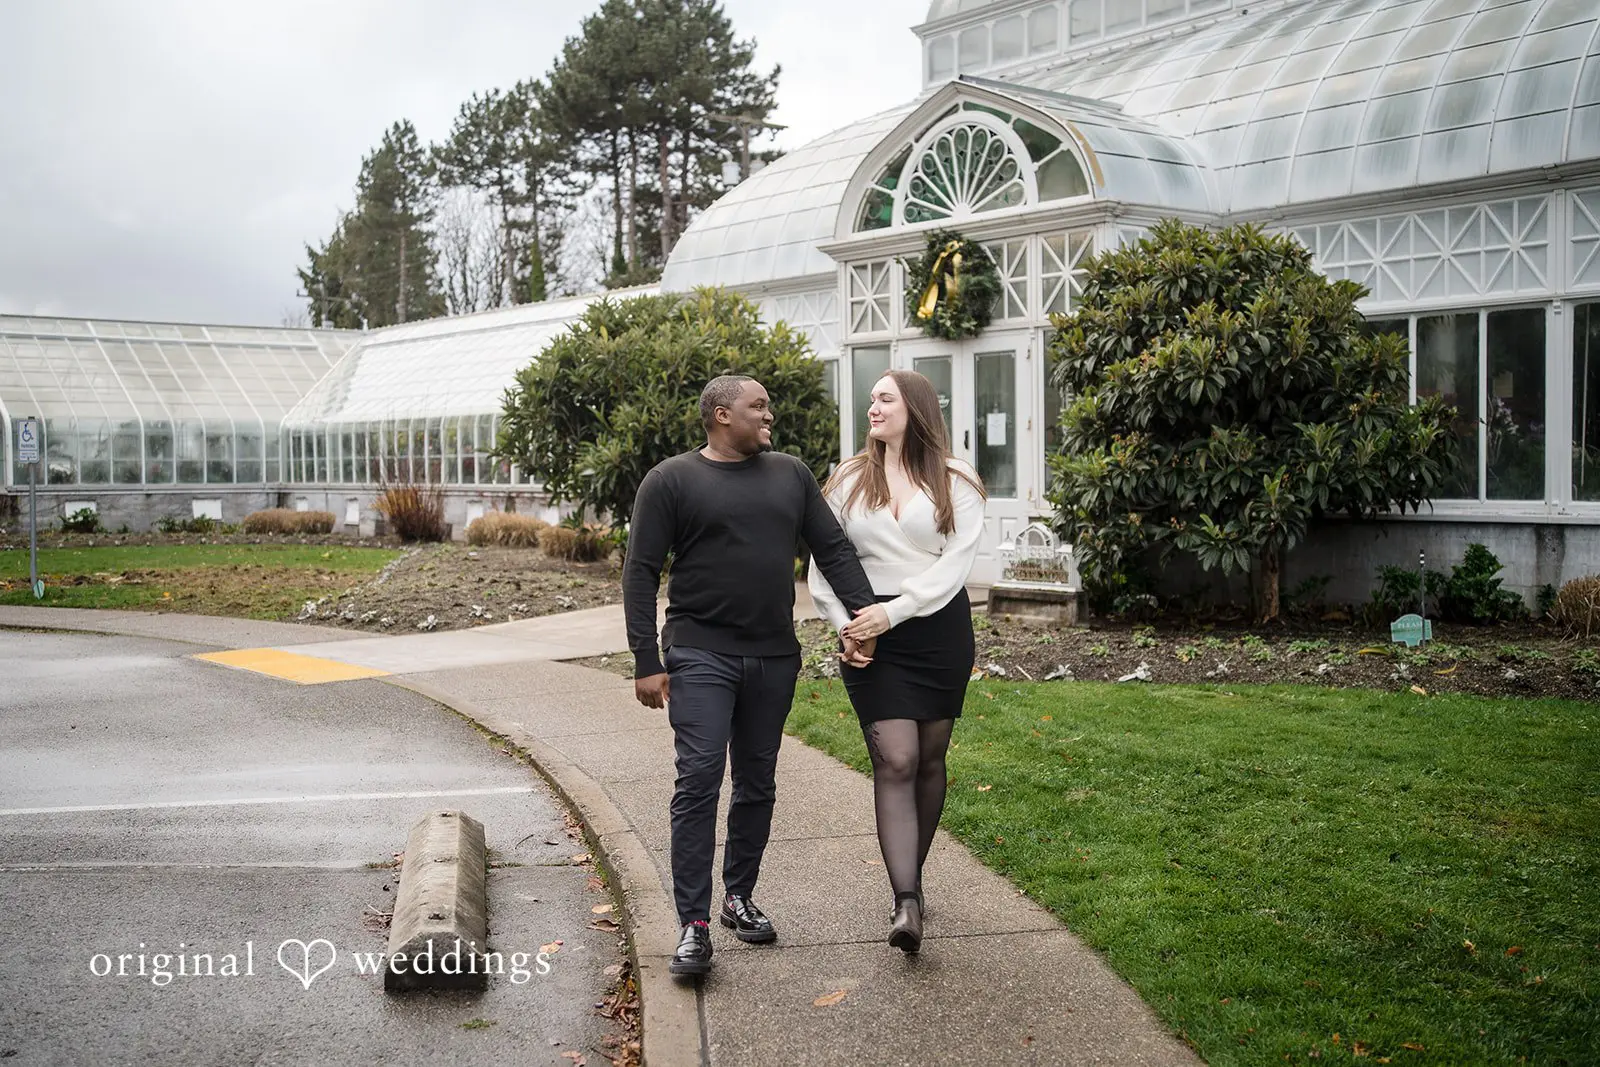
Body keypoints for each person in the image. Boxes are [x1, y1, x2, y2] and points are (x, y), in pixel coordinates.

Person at [623, 374, 879, 978]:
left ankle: (738, 897)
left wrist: (863, 620)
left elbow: (833, 550)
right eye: (757, 407)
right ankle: (693, 924)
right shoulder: (671, 480)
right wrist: (645, 660)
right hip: (698, 652)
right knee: (701, 778)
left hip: (772, 656)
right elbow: (640, 573)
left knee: (757, 781)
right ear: (720, 415)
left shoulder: (789, 473)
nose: (769, 416)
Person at [808, 369, 986, 955]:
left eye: (885, 398)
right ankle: (905, 899)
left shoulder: (955, 479)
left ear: (915, 405)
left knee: (931, 758)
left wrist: (897, 611)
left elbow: (954, 565)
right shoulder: (847, 480)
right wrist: (848, 627)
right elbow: (825, 562)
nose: (873, 407)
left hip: (937, 630)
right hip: (870, 636)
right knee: (898, 759)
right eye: (871, 400)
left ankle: (912, 878)